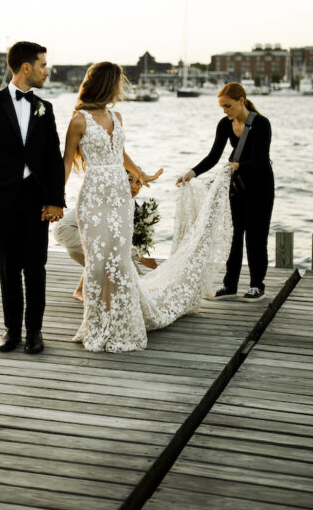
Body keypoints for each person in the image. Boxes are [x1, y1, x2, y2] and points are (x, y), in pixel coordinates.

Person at [61, 62, 233, 353]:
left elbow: (121, 153)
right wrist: (54, 199)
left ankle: (121, 324)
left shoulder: (117, 116)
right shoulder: (78, 120)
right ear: (106, 84)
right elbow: (66, 161)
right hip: (93, 198)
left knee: (118, 261)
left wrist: (140, 173)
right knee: (98, 263)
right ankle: (96, 325)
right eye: (118, 83)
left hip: (119, 197)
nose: (121, 88)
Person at [0, 41, 66, 355]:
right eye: (43, 65)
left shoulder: (45, 109)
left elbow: (53, 159)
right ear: (26, 67)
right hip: (2, 199)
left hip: (37, 200)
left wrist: (55, 200)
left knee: (36, 266)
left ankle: (34, 332)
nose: (47, 71)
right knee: (8, 266)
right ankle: (12, 329)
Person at [177, 82, 274, 300]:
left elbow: (260, 160)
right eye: (222, 107)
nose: (225, 111)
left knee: (256, 236)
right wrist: (191, 173)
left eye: (228, 106)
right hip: (237, 185)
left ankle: (257, 285)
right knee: (234, 234)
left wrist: (239, 165)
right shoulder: (224, 124)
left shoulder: (262, 124)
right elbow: (213, 156)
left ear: (241, 101)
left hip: (261, 185)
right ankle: (230, 285)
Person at [54, 169, 158, 301]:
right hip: (68, 230)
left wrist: (141, 253)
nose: (133, 186)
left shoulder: (129, 204)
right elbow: (110, 241)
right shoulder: (110, 199)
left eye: (138, 182)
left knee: (134, 274)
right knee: (105, 251)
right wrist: (140, 257)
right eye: (129, 180)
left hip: (86, 236)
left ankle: (94, 288)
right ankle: (80, 291)